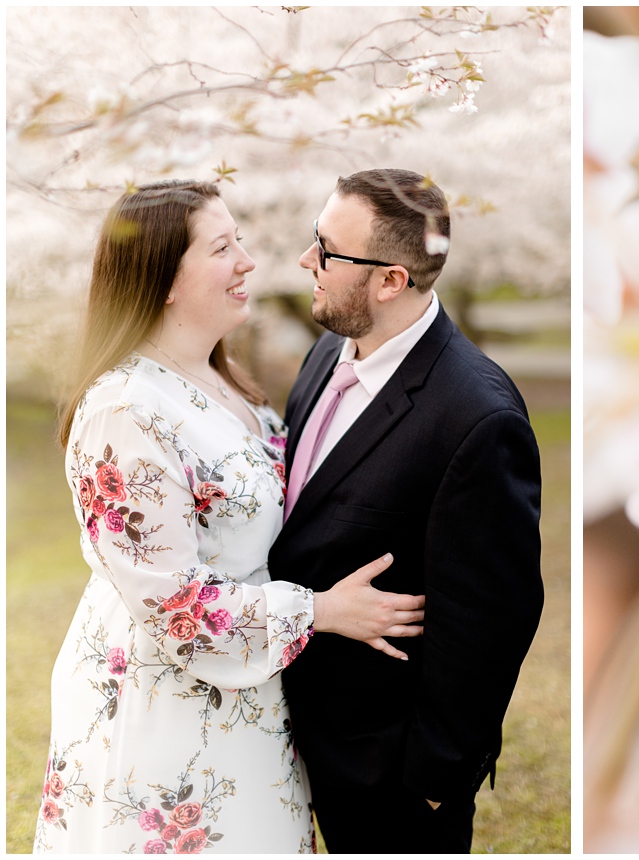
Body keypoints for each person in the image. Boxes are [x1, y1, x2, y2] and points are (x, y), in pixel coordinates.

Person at [37, 180, 428, 853]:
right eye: (222, 247)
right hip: (167, 715)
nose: (248, 261)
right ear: (162, 278)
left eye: (240, 240)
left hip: (248, 699)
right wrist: (322, 611)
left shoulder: (220, 378)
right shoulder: (124, 412)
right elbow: (177, 608)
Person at [269, 169, 544, 852]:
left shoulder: (477, 417)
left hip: (388, 780)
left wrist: (432, 777)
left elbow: (493, 621)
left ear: (391, 280)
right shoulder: (325, 352)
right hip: (290, 742)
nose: (309, 261)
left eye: (327, 250)